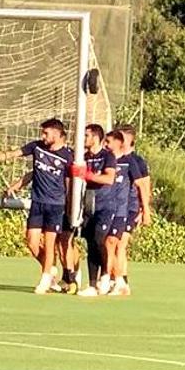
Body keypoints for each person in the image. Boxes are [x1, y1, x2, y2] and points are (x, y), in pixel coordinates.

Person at [0, 118, 74, 294]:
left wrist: (69, 206)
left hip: (55, 205)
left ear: (57, 133)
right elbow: (14, 156)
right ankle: (50, 271)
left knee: (50, 244)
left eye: (46, 133)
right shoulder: (37, 147)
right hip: (37, 203)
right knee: (31, 242)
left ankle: (45, 280)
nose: (42, 136)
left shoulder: (67, 156)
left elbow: (70, 183)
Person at [65, 125, 117, 295]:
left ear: (95, 138)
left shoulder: (107, 156)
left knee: (98, 239)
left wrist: (87, 175)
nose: (83, 138)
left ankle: (106, 275)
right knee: (90, 243)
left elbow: (109, 178)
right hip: (88, 205)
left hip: (105, 205)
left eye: (86, 135)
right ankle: (92, 284)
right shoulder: (83, 157)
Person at [112, 125, 152, 297]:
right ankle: (114, 279)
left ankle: (122, 282)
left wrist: (144, 209)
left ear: (129, 140)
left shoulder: (136, 161)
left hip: (130, 208)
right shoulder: (113, 158)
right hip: (114, 207)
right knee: (111, 245)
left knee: (120, 245)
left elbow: (145, 185)